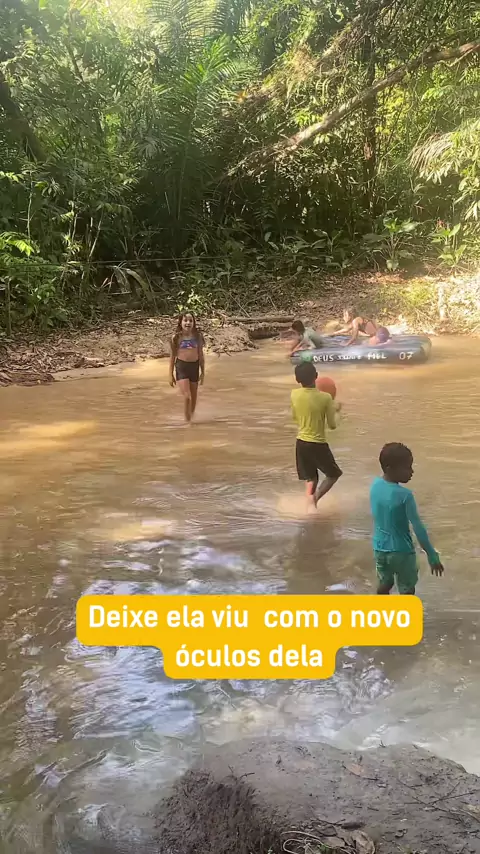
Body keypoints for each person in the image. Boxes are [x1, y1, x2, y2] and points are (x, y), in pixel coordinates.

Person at [370, 442, 444, 595]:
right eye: (407, 468)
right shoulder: (405, 495)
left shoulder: (375, 485)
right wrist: (431, 554)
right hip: (402, 552)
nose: (411, 471)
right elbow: (418, 527)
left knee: (385, 582)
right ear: (389, 468)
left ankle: (378, 608)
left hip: (379, 549)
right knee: (406, 589)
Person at [291, 361, 342, 510]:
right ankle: (315, 499)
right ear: (316, 376)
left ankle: (308, 506)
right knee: (333, 474)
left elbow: (295, 418)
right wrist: (337, 412)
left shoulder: (294, 394)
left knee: (311, 477)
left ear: (297, 379)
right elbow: (332, 425)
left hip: (301, 442)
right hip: (317, 443)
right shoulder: (325, 398)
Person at [169, 312, 205, 423]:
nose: (188, 323)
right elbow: (172, 357)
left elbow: (201, 355)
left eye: (190, 320)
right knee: (187, 396)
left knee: (194, 398)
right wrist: (170, 374)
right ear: (180, 322)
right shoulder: (176, 338)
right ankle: (187, 423)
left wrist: (203, 372)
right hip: (182, 367)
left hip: (194, 367)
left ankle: (191, 419)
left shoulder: (198, 337)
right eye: (185, 320)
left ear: (194, 323)